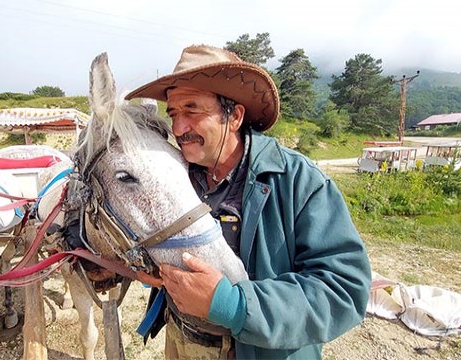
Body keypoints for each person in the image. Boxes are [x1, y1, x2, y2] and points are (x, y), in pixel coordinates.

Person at [126, 44, 372, 359]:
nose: (178, 128)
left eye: (192, 109)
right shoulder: (178, 175)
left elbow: (344, 290)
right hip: (181, 343)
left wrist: (231, 305)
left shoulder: (296, 180)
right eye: (173, 113)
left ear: (235, 116)